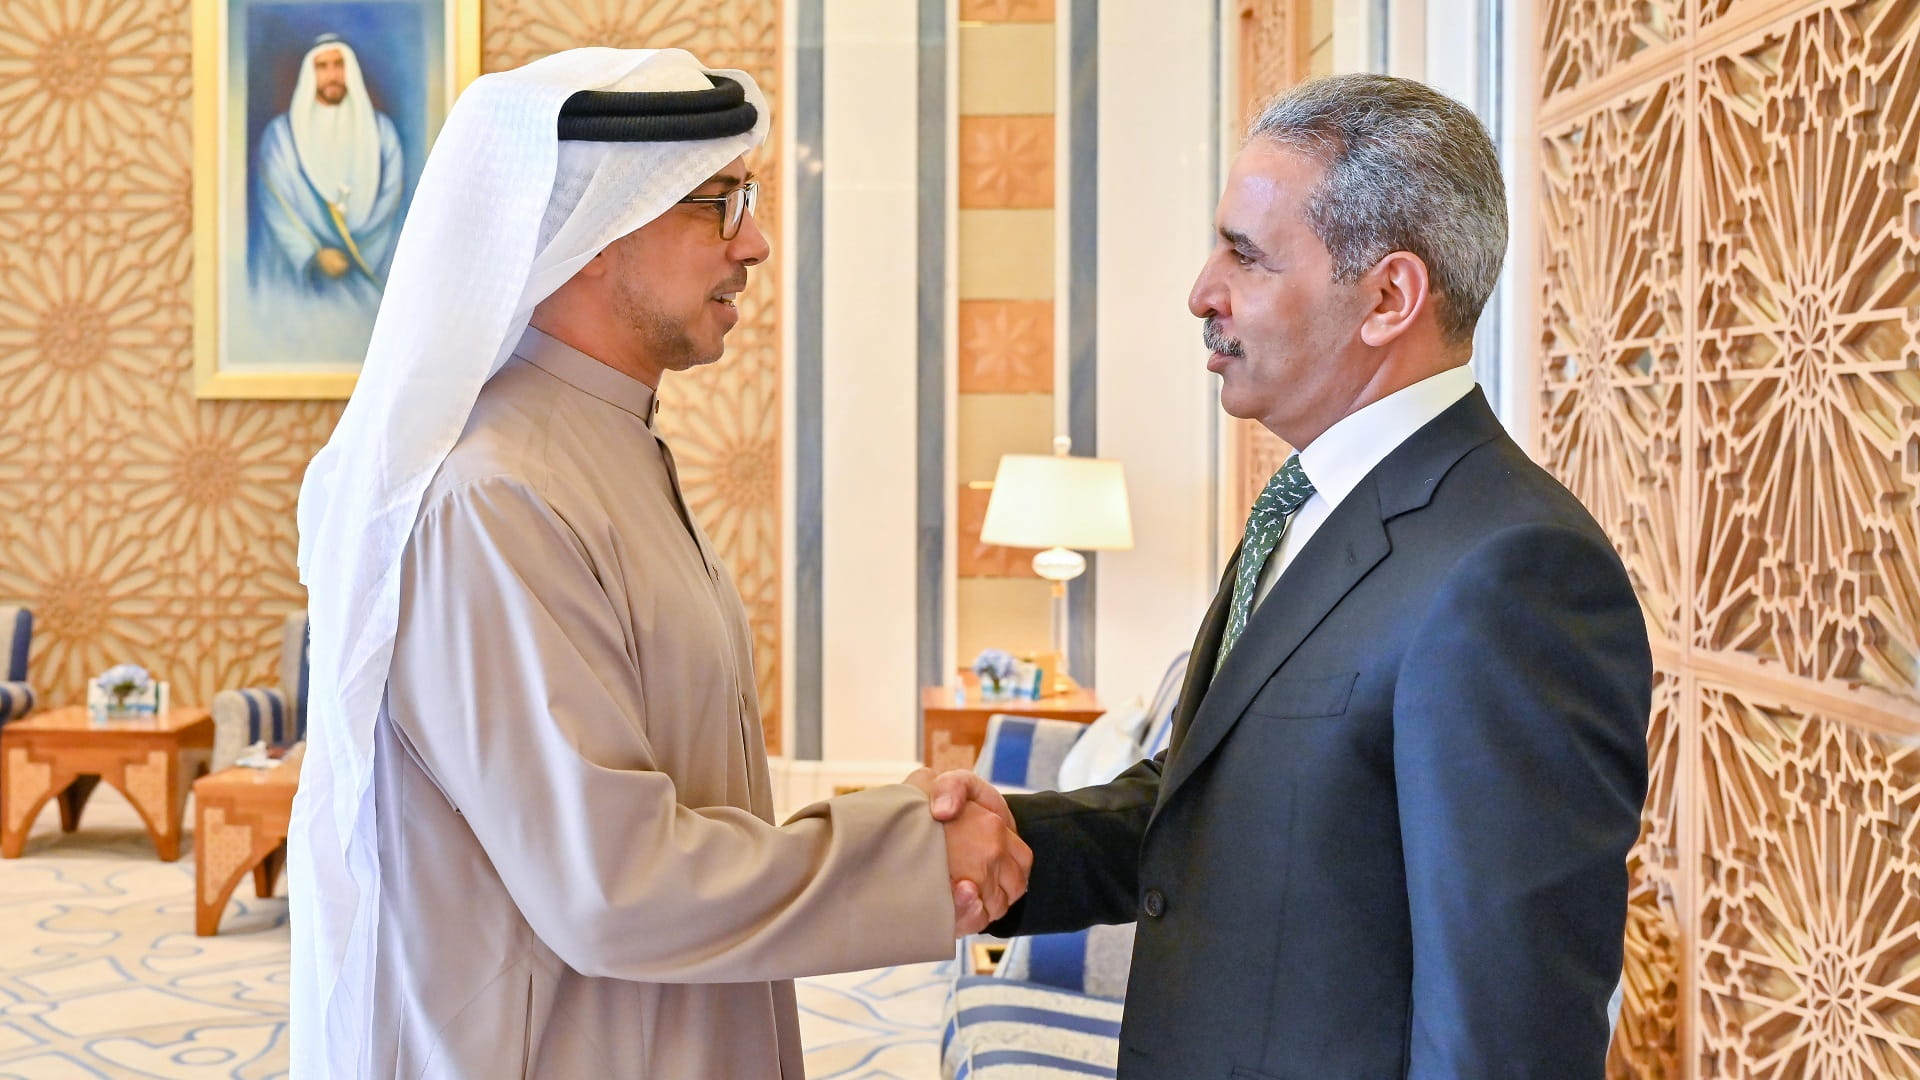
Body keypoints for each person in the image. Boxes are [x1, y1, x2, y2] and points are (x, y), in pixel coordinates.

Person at [291, 48, 1028, 1079]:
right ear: (597, 233)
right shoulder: (492, 495)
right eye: (719, 205)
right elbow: (610, 882)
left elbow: (673, 797)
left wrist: (885, 821)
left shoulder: (600, 445)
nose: (757, 243)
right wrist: (903, 855)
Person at [925, 73, 1651, 1078]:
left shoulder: (1512, 572)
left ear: (1389, 298)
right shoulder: (1308, 504)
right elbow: (1202, 817)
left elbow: (1504, 1030)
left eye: (1246, 256)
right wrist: (1001, 839)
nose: (1201, 293)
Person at [251, 34, 404, 318]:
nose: (332, 75)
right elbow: (276, 208)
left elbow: (391, 200)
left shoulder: (382, 131)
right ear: (310, 73)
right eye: (322, 67)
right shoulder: (281, 136)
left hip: (369, 267)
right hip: (306, 280)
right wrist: (312, 256)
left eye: (339, 64)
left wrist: (361, 249)